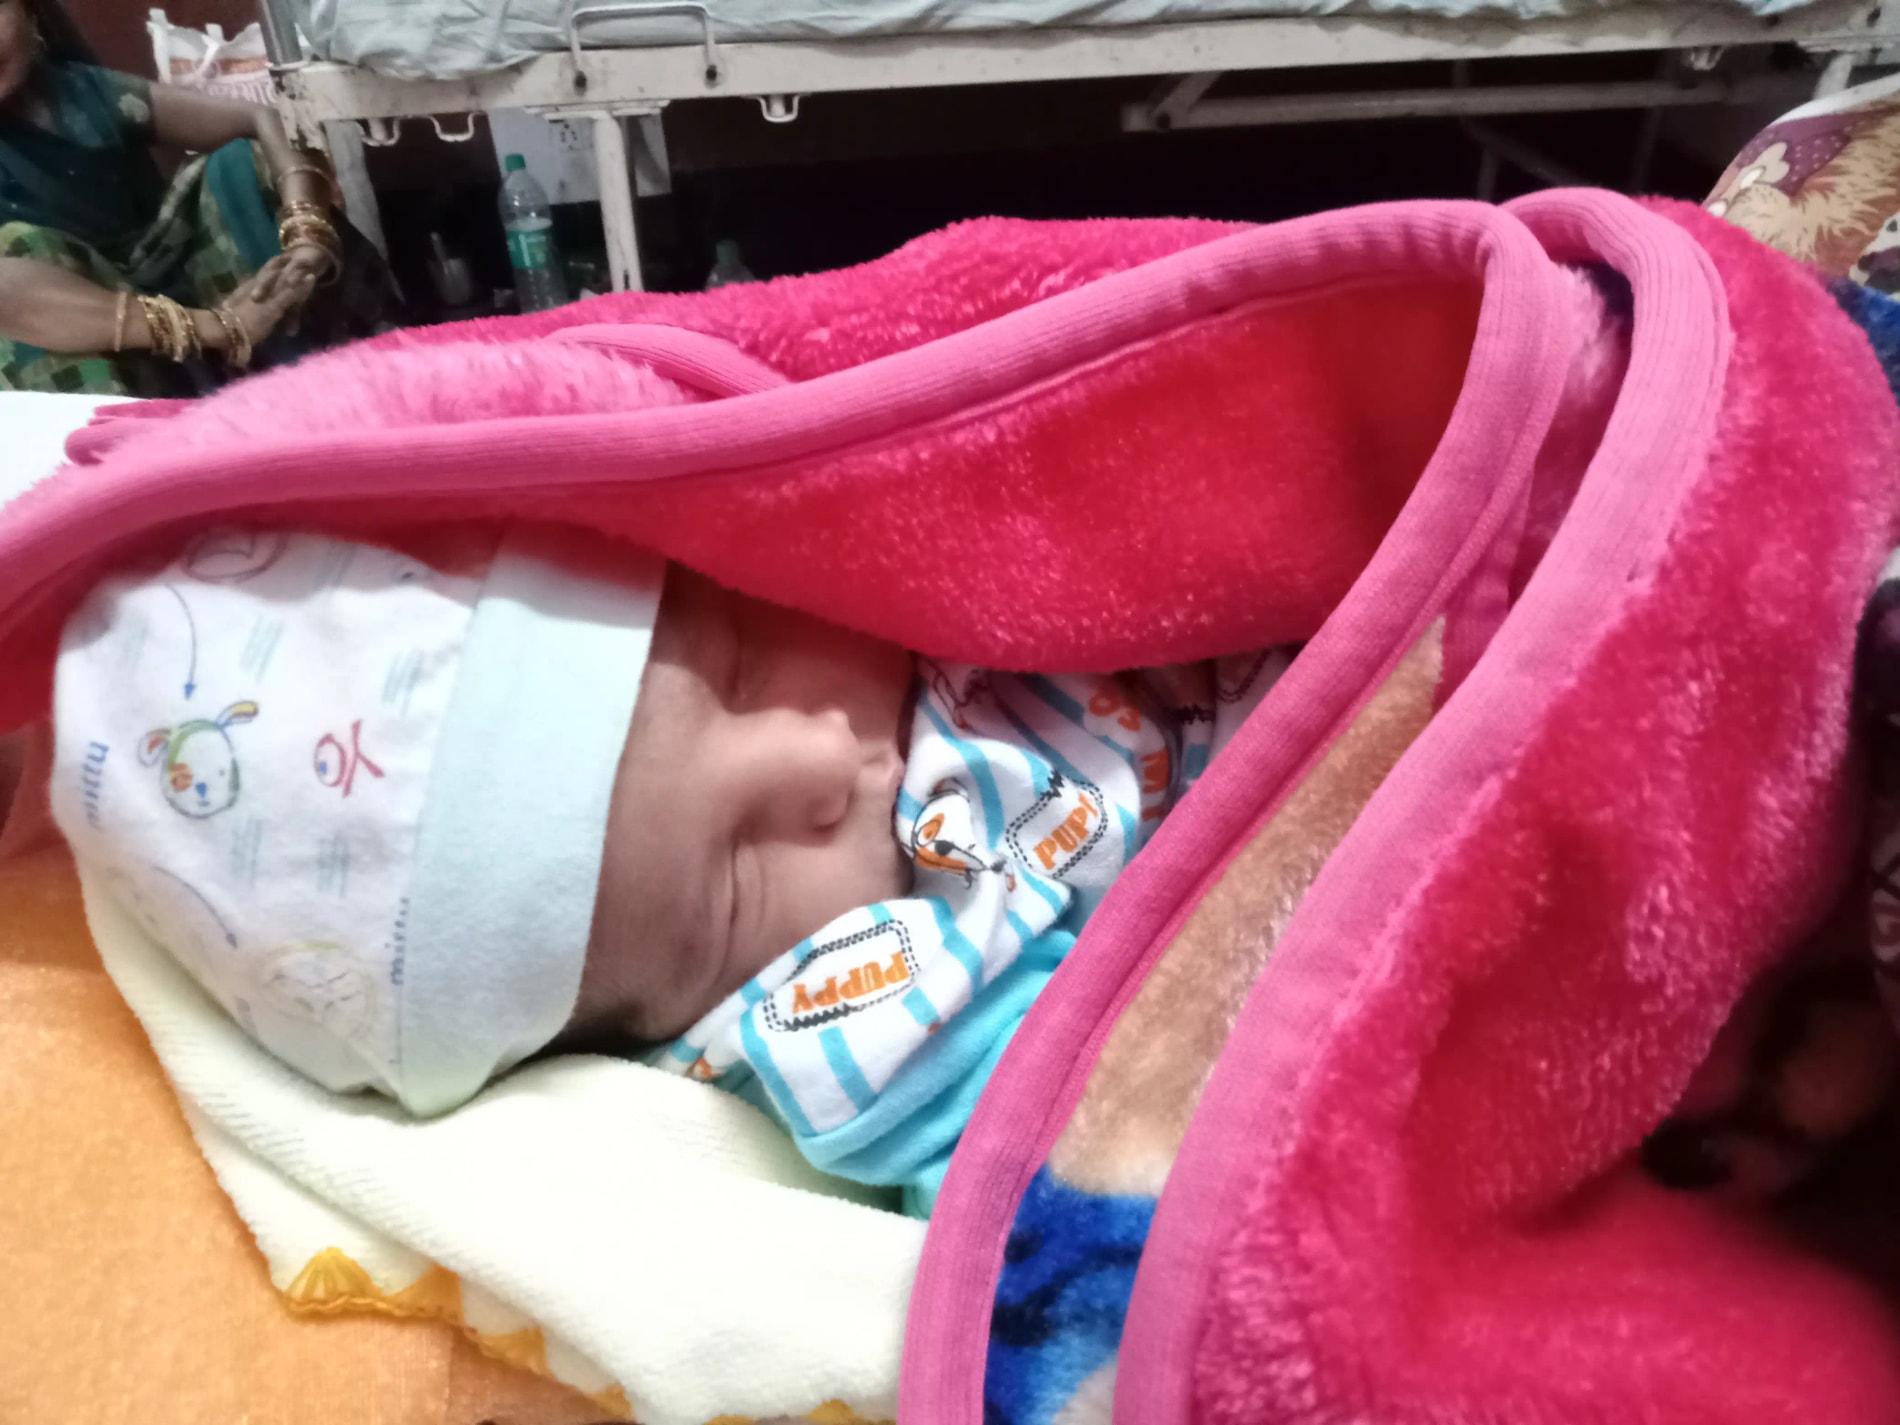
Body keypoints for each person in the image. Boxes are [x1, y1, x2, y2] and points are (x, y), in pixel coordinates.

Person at [49, 527, 1281, 1216]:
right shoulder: (853, 1013)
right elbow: (1089, 1160)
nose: (815, 764)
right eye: (729, 895)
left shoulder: (880, 561)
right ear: (666, 1035)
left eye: (740, 663)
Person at [0, 0, 380, 395]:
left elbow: (261, 119)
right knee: (21, 245)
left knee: (242, 161)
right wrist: (216, 327)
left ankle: (323, 374)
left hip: (195, 292)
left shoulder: (76, 92)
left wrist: (306, 231)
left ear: (31, 10)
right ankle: (135, 429)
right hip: (85, 336)